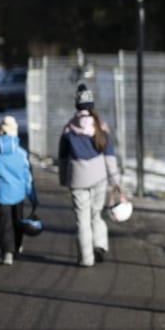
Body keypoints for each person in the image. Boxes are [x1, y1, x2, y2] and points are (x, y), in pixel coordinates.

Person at [58, 83, 122, 267]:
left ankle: (86, 258)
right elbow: (109, 156)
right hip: (99, 178)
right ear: (92, 105)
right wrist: (115, 180)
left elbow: (62, 158)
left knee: (82, 220)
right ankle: (100, 246)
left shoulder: (69, 129)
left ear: (76, 105)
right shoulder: (100, 127)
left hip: (77, 179)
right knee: (96, 215)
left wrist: (64, 179)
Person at [0, 116, 37, 266]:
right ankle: (17, 247)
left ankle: (7, 252)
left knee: (5, 223)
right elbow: (27, 176)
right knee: (18, 221)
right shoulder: (21, 154)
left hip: (1, 194)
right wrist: (32, 195)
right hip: (18, 194)